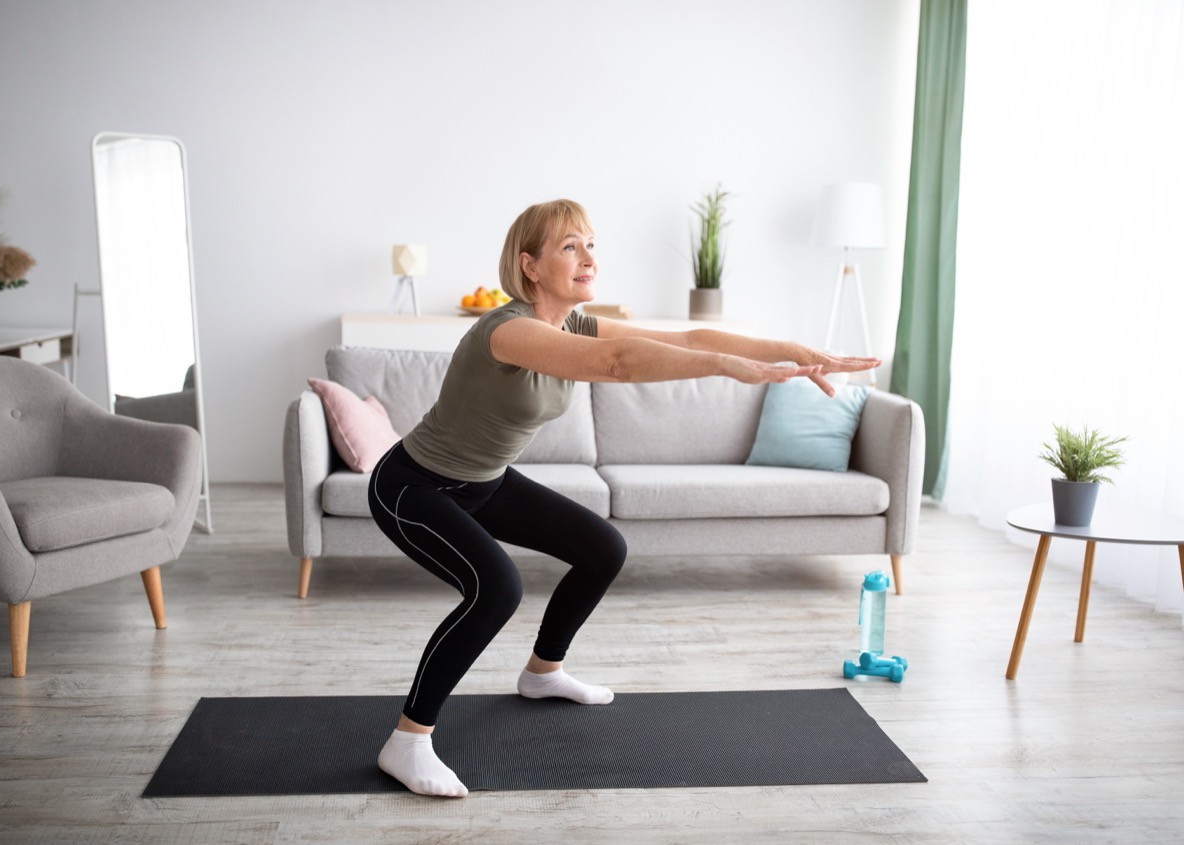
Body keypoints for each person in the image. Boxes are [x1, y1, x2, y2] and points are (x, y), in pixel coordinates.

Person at [369, 199, 880, 798]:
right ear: (530, 266)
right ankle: (407, 741)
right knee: (496, 588)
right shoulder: (507, 330)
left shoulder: (573, 323)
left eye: (590, 243)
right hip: (414, 486)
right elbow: (616, 364)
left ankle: (543, 673)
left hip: (485, 482)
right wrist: (726, 368)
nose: (588, 257)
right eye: (569, 247)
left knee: (601, 548)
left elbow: (687, 334)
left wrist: (791, 349)